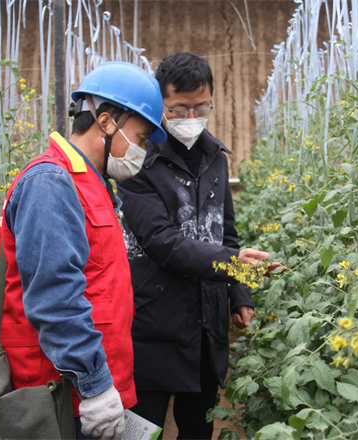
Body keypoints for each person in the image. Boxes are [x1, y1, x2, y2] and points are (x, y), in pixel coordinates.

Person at [0, 61, 166, 440]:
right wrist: (95, 384)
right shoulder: (51, 183)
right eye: (139, 137)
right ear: (106, 122)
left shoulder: (91, 184)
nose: (142, 150)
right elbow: (56, 297)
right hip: (60, 396)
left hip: (84, 393)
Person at [117, 52, 273, 439]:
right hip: (153, 321)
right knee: (141, 428)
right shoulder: (138, 161)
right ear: (160, 105)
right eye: (179, 109)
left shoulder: (215, 158)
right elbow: (162, 242)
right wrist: (234, 263)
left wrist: (239, 294)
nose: (190, 118)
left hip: (206, 323)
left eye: (200, 107)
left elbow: (226, 233)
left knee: (197, 428)